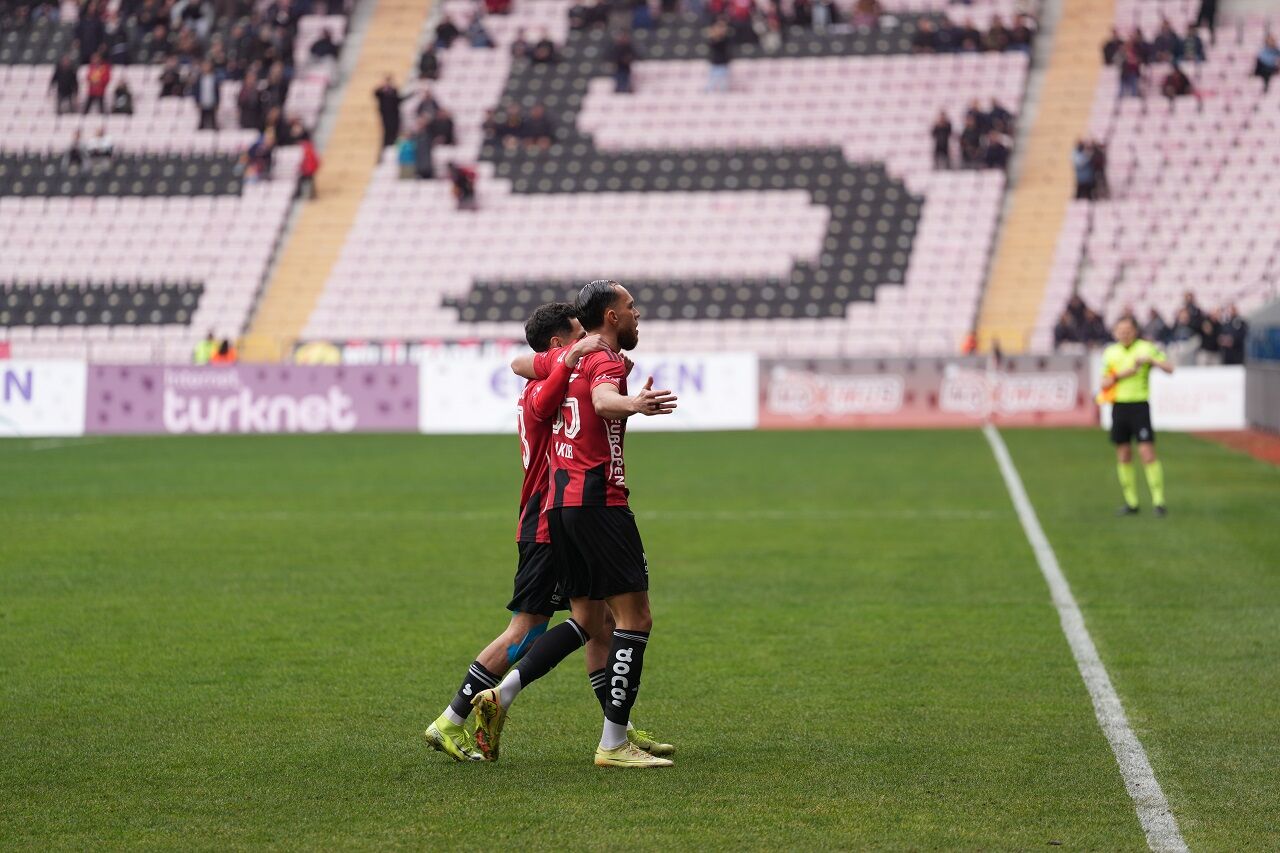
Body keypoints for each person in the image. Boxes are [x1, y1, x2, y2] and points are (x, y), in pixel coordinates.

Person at [424, 305, 671, 762]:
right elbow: (540, 384)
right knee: (538, 625)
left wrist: (609, 372)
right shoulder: (546, 385)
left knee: (603, 625)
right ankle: (455, 715)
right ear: (562, 344)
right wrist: (593, 366)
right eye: (579, 335)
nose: (589, 339)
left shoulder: (556, 373)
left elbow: (527, 366)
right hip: (548, 519)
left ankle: (619, 729)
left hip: (553, 512)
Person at [1099, 316, 1173, 516]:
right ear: (1115, 333)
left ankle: (1159, 501)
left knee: (1147, 452)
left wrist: (1152, 361)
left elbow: (1170, 368)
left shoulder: (1145, 348)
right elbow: (1104, 383)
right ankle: (1131, 503)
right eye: (1120, 331)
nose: (1124, 334)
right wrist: (1124, 374)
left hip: (1140, 406)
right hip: (1119, 407)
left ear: (1135, 331)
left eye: (1127, 330)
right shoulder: (1110, 352)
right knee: (1123, 454)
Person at [374, 75, 408, 153]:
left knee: (394, 129)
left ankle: (392, 144)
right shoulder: (382, 91)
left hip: (394, 114)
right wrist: (383, 86)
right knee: (387, 130)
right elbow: (376, 93)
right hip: (385, 114)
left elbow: (398, 100)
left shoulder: (393, 90)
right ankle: (386, 145)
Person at [193, 59, 220, 130]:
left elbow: (217, 91)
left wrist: (217, 102)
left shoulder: (214, 78)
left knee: (213, 121)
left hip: (212, 102)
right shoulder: (199, 79)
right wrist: (197, 101)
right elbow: (196, 91)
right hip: (202, 102)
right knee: (202, 121)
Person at [83, 50, 112, 115]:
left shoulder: (104, 67)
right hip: (92, 90)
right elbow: (88, 76)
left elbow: (107, 77)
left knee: (101, 106)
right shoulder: (92, 66)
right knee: (87, 106)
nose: (94, 60)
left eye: (95, 58)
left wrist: (100, 82)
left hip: (100, 90)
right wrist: (91, 81)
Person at [707, 20, 731, 92]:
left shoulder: (726, 39)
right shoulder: (713, 39)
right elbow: (713, 44)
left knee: (723, 83)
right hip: (715, 63)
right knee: (712, 81)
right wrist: (715, 34)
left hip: (723, 63)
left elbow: (723, 45)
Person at [297, 130, 320, 198]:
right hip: (309, 168)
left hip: (308, 169)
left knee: (306, 180)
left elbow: (309, 159)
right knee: (310, 180)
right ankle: (311, 194)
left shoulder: (305, 147)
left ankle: (304, 194)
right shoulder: (309, 147)